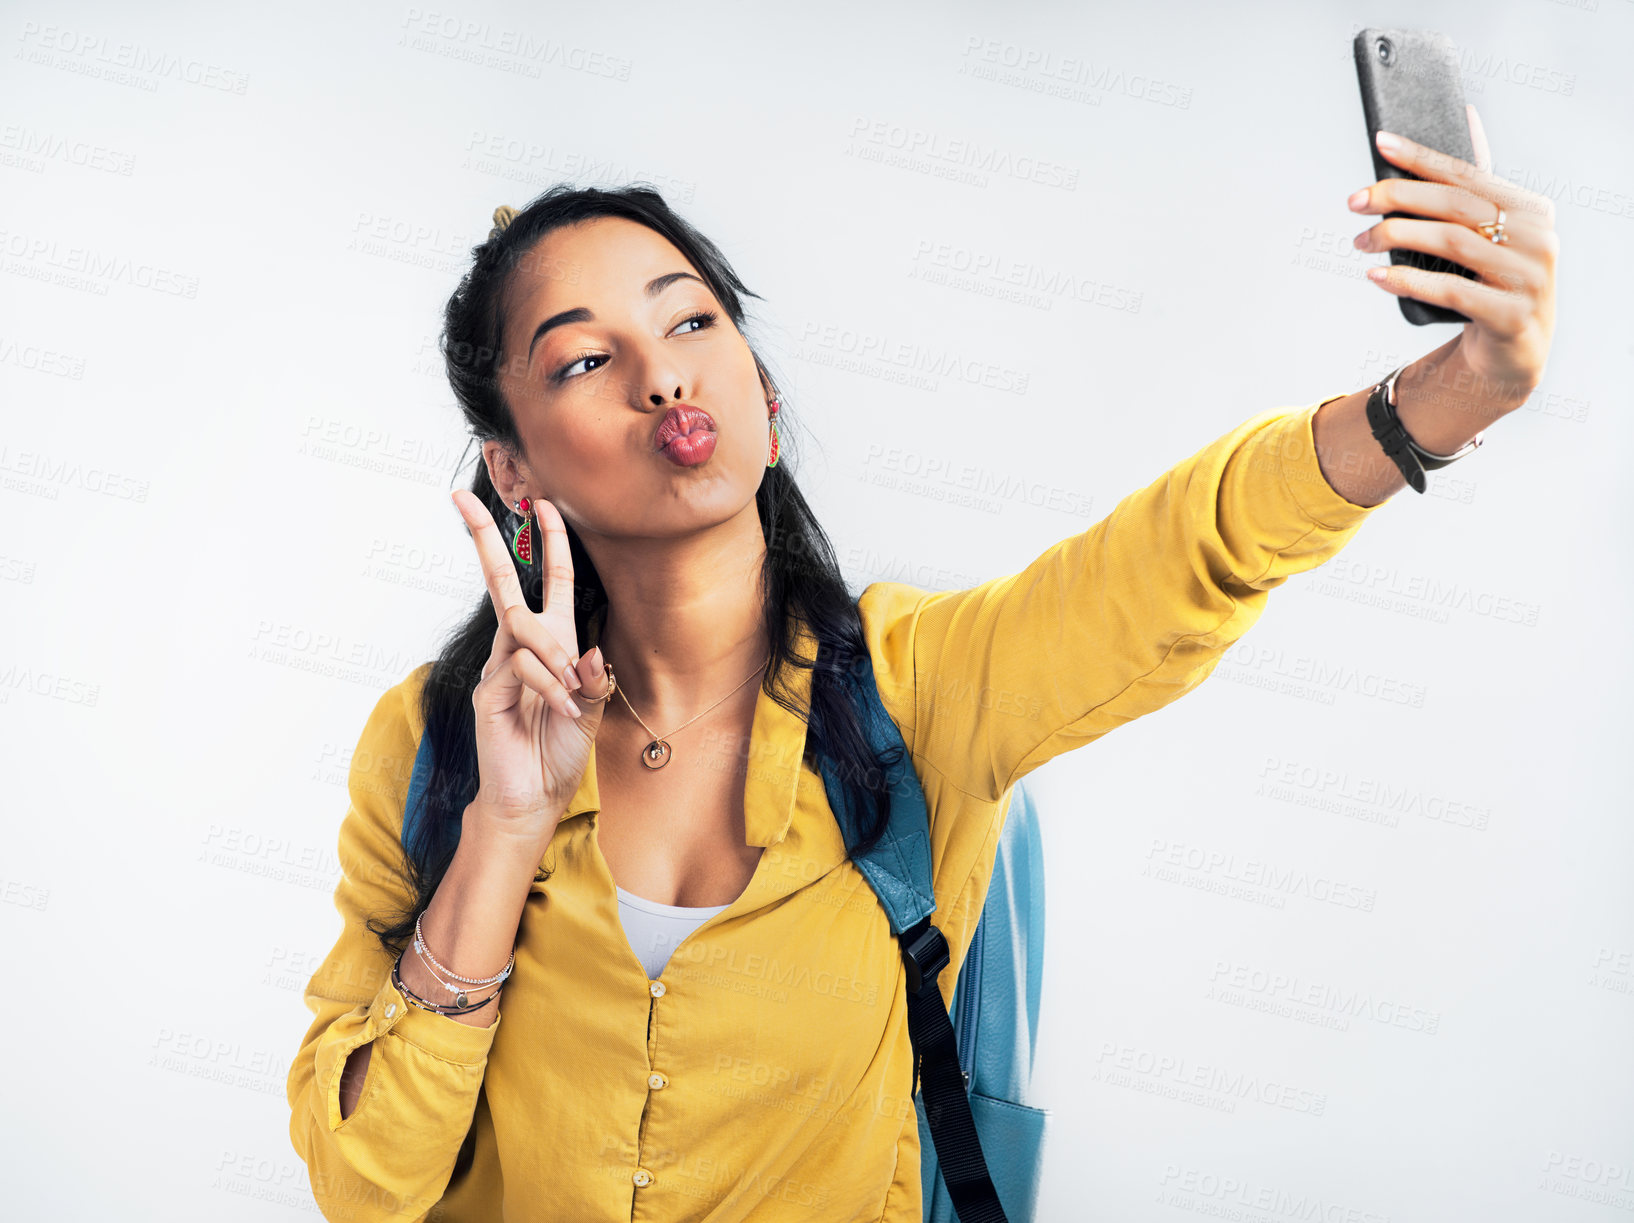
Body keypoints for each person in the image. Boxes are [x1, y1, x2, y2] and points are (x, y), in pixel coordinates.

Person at [287, 117, 1557, 1221]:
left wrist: (1449, 392)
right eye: (582, 357)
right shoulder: (435, 743)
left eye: (690, 318)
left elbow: (1178, 556)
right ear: (513, 469)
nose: (663, 370)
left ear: (765, 397)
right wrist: (502, 834)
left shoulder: (919, 685)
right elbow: (365, 1181)